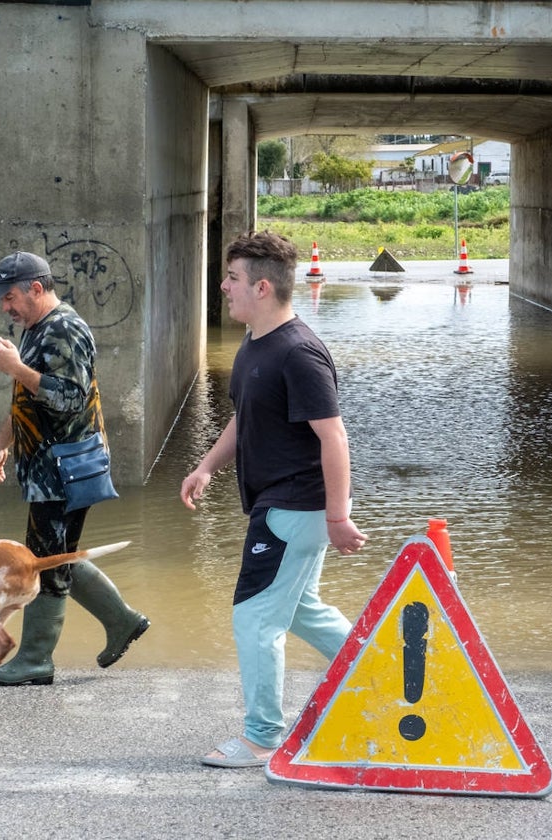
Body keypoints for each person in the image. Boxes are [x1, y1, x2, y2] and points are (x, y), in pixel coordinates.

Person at [180, 231, 367, 768]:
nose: (224, 287)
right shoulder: (256, 343)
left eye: (232, 278)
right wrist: (207, 466)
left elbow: (333, 436)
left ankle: (263, 736)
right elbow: (246, 416)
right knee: (302, 610)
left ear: (262, 287)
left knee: (255, 617)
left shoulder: (299, 353)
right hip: (281, 503)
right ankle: (380, 671)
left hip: (294, 506)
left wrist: (338, 515)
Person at [0, 250, 148, 686]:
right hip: (48, 468)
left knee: (43, 561)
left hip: (65, 471)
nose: (5, 307)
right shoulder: (36, 329)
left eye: (10, 297)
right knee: (53, 555)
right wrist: (0, 447)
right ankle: (122, 620)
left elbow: (68, 397)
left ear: (37, 288)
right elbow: (27, 398)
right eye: (2, 299)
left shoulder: (66, 330)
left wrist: (16, 366)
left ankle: (36, 659)